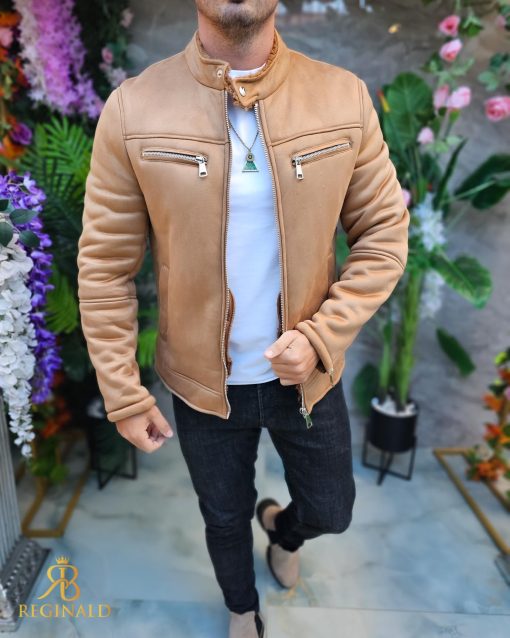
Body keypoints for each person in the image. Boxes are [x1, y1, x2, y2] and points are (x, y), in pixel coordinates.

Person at [77, 1, 410, 636]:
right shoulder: (134, 109)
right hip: (202, 381)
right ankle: (241, 607)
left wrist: (320, 337)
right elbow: (105, 267)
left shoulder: (341, 97)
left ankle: (284, 531)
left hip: (305, 375)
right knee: (223, 516)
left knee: (332, 509)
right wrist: (122, 391)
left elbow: (384, 237)